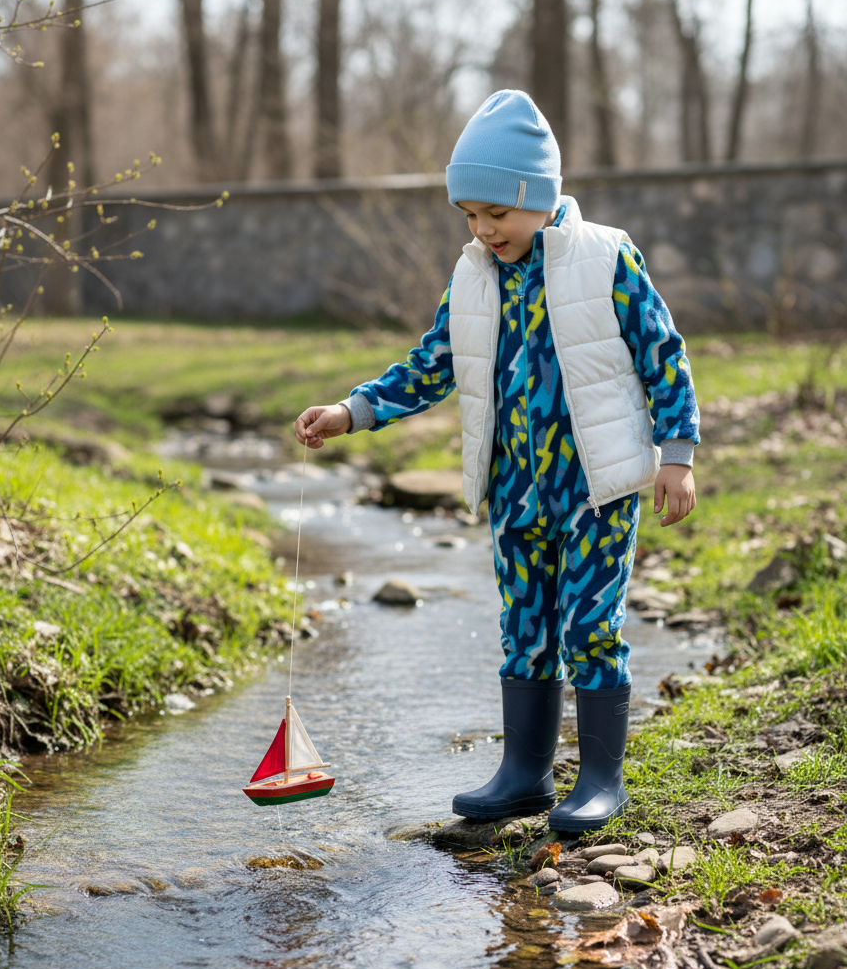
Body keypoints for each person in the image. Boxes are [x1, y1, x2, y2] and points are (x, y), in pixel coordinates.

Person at [294, 89, 700, 833]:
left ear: (539, 198)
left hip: (596, 486)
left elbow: (661, 352)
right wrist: (353, 411)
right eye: (469, 216)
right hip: (516, 490)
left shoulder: (606, 255)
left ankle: (601, 778)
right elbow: (433, 362)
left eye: (497, 214)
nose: (483, 230)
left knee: (589, 625)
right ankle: (525, 774)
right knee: (527, 626)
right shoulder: (474, 275)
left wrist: (677, 452)